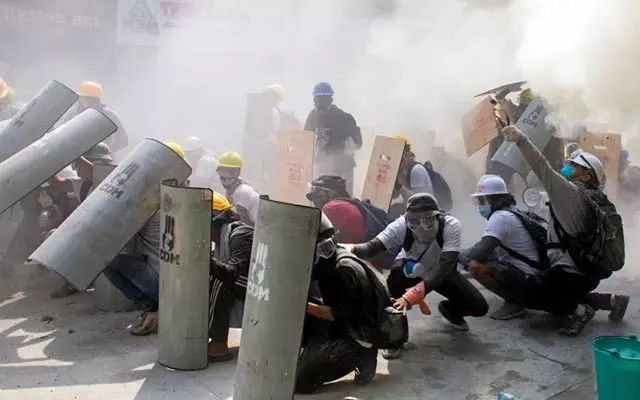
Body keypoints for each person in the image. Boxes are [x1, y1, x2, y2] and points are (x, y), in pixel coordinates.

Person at [501, 125, 629, 335]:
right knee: (562, 293)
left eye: (574, 166)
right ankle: (612, 301)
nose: (568, 167)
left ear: (587, 176)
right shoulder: (594, 199)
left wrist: (521, 140)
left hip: (571, 272)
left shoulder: (571, 193)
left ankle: (580, 312)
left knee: (527, 292)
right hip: (589, 270)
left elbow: (542, 168)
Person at [346, 193, 489, 359]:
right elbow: (373, 247)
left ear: (437, 216)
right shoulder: (400, 225)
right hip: (409, 269)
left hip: (439, 271)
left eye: (428, 220)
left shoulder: (451, 226)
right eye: (414, 221)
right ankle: (395, 338)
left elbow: (446, 267)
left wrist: (412, 296)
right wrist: (351, 248)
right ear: (407, 219)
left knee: (479, 306)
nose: (421, 226)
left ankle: (450, 310)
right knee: (392, 296)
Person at [295, 214, 382, 393]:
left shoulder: (344, 269)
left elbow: (341, 314)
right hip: (340, 325)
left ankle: (363, 358)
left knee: (300, 383)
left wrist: (301, 305)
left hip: (357, 336)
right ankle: (316, 352)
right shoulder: (326, 261)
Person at [461, 175, 544, 320]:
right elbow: (487, 247)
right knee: (482, 259)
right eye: (479, 201)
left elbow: (480, 252)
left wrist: (457, 255)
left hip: (529, 279)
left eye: (483, 200)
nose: (480, 205)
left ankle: (515, 303)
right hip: (533, 272)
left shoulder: (500, 217)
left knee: (476, 267)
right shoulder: (509, 212)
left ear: (498, 200)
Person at [306, 174, 396, 270]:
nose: (314, 199)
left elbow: (313, 238)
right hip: (368, 262)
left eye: (318, 192)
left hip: (361, 264)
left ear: (331, 194)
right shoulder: (348, 203)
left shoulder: (332, 207)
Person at [207, 194, 253, 361]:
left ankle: (219, 345)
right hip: (245, 285)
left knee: (220, 282)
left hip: (264, 290)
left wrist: (204, 260)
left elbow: (234, 274)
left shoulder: (240, 235)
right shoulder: (223, 241)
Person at [304, 82, 362, 195]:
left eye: (323, 99)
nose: (320, 103)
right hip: (323, 162)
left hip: (343, 165)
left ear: (330, 99)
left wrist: (343, 145)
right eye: (318, 100)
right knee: (322, 195)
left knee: (343, 197)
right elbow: (305, 137)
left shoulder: (344, 118)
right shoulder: (313, 116)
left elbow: (358, 143)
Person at [61, 81, 128, 155]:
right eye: (80, 98)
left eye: (83, 98)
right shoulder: (72, 114)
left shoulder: (109, 115)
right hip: (73, 156)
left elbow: (123, 140)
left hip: (98, 159)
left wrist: (105, 152)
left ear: (92, 99)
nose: (79, 100)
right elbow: (62, 135)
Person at [216, 151, 260, 225]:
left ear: (237, 173)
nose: (224, 177)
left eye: (229, 173)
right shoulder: (232, 190)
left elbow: (241, 220)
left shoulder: (242, 192)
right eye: (222, 172)